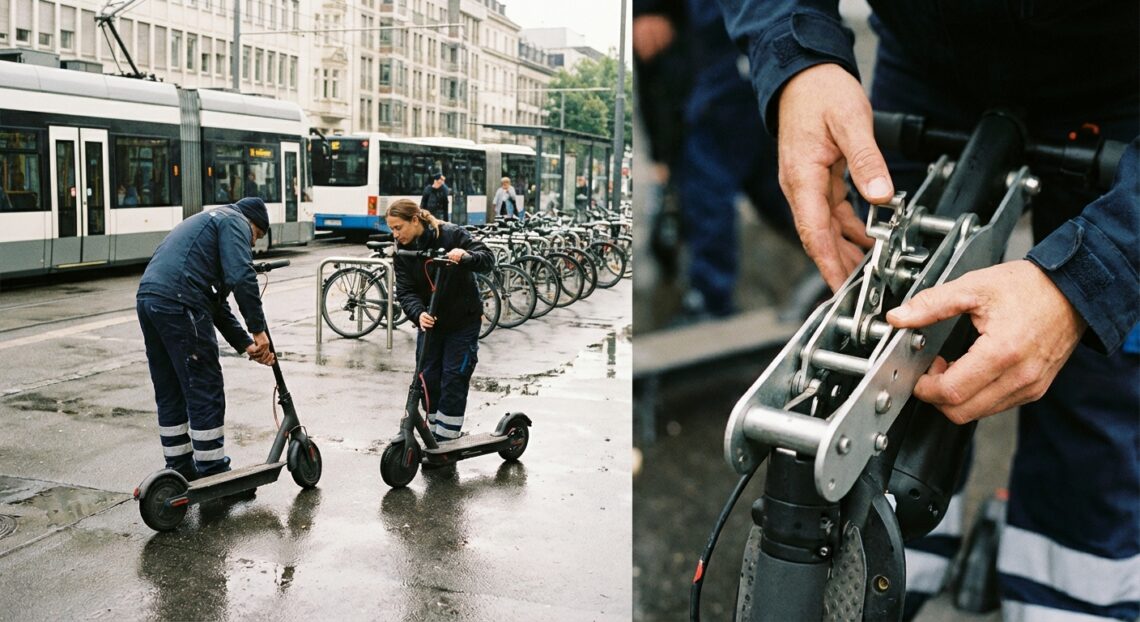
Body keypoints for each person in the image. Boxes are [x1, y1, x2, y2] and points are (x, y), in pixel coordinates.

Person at [717, 1, 1139, 620]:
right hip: (929, 65)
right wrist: (796, 59)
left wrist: (1096, 273)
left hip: (1126, 87)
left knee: (1096, 420)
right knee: (879, 391)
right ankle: (887, 584)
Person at [135, 197, 276, 481]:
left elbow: (216, 304)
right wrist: (258, 331)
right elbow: (242, 276)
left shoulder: (211, 221)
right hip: (179, 302)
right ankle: (213, 473)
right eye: (256, 237)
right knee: (204, 385)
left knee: (170, 386)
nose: (251, 246)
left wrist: (246, 345)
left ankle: (179, 466)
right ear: (253, 224)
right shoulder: (235, 222)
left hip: (150, 299)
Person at [386, 198, 493, 442]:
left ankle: (447, 438)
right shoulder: (402, 251)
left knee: (454, 376)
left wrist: (466, 255)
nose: (395, 234)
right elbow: (405, 290)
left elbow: (487, 258)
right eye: (391, 229)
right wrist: (418, 313)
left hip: (462, 321)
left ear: (414, 220)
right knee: (427, 378)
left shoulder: (451, 234)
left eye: (398, 227)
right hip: (431, 323)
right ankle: (433, 434)